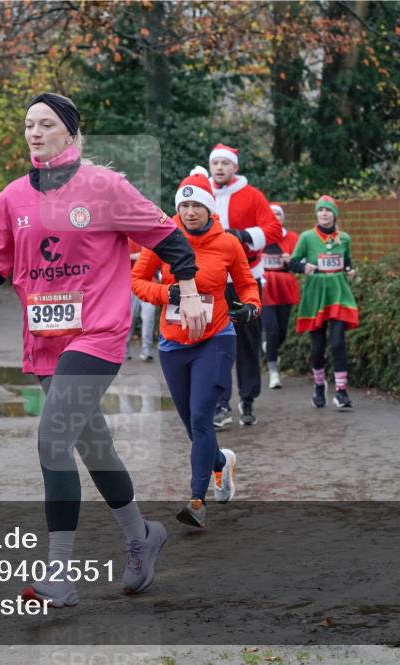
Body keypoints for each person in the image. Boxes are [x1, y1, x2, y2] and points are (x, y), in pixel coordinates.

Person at [0, 92, 208, 607]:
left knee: (52, 440)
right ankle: (141, 537)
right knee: (93, 447)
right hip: (46, 338)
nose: (35, 132)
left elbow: (169, 238)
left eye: (46, 124)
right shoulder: (10, 198)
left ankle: (60, 574)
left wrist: (189, 290)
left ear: (70, 133)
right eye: (28, 124)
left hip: (97, 331)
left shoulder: (105, 186)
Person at [131, 172, 258, 527]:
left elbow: (248, 285)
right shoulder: (163, 239)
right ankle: (221, 462)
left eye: (196, 206)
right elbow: (137, 281)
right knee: (192, 426)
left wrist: (251, 306)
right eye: (183, 205)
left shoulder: (228, 243)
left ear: (209, 208)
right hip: (174, 344)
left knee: (202, 417)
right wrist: (166, 293)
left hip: (216, 338)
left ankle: (197, 500)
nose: (189, 212)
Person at [203, 146, 282, 428]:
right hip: (212, 281)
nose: (220, 167)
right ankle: (220, 403)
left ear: (235, 167)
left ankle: (247, 399)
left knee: (247, 341)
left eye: (226, 163)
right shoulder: (202, 192)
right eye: (216, 163)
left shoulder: (252, 195)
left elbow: (274, 229)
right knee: (216, 342)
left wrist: (243, 235)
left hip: (245, 278)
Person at [288, 195, 358, 409]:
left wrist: (350, 270)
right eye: (320, 210)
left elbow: (347, 261)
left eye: (328, 210)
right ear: (316, 214)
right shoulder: (307, 237)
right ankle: (319, 385)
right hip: (315, 294)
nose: (324, 214)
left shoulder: (344, 238)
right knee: (317, 347)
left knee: (337, 343)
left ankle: (341, 391)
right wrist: (303, 268)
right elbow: (292, 262)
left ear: (335, 214)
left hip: (338, 293)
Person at [260, 204, 301, 389]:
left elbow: (301, 263)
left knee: (282, 331)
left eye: (278, 214)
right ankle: (274, 372)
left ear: (283, 218)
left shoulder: (292, 237)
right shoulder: (259, 238)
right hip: (264, 286)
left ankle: (270, 346)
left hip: (284, 286)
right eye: (272, 214)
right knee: (272, 329)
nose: (275, 217)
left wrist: (290, 260)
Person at [127, 238, 158, 362]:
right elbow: (120, 256)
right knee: (129, 318)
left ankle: (146, 350)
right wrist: (143, 255)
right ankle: (124, 350)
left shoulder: (152, 237)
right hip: (129, 284)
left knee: (148, 318)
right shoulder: (128, 238)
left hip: (150, 284)